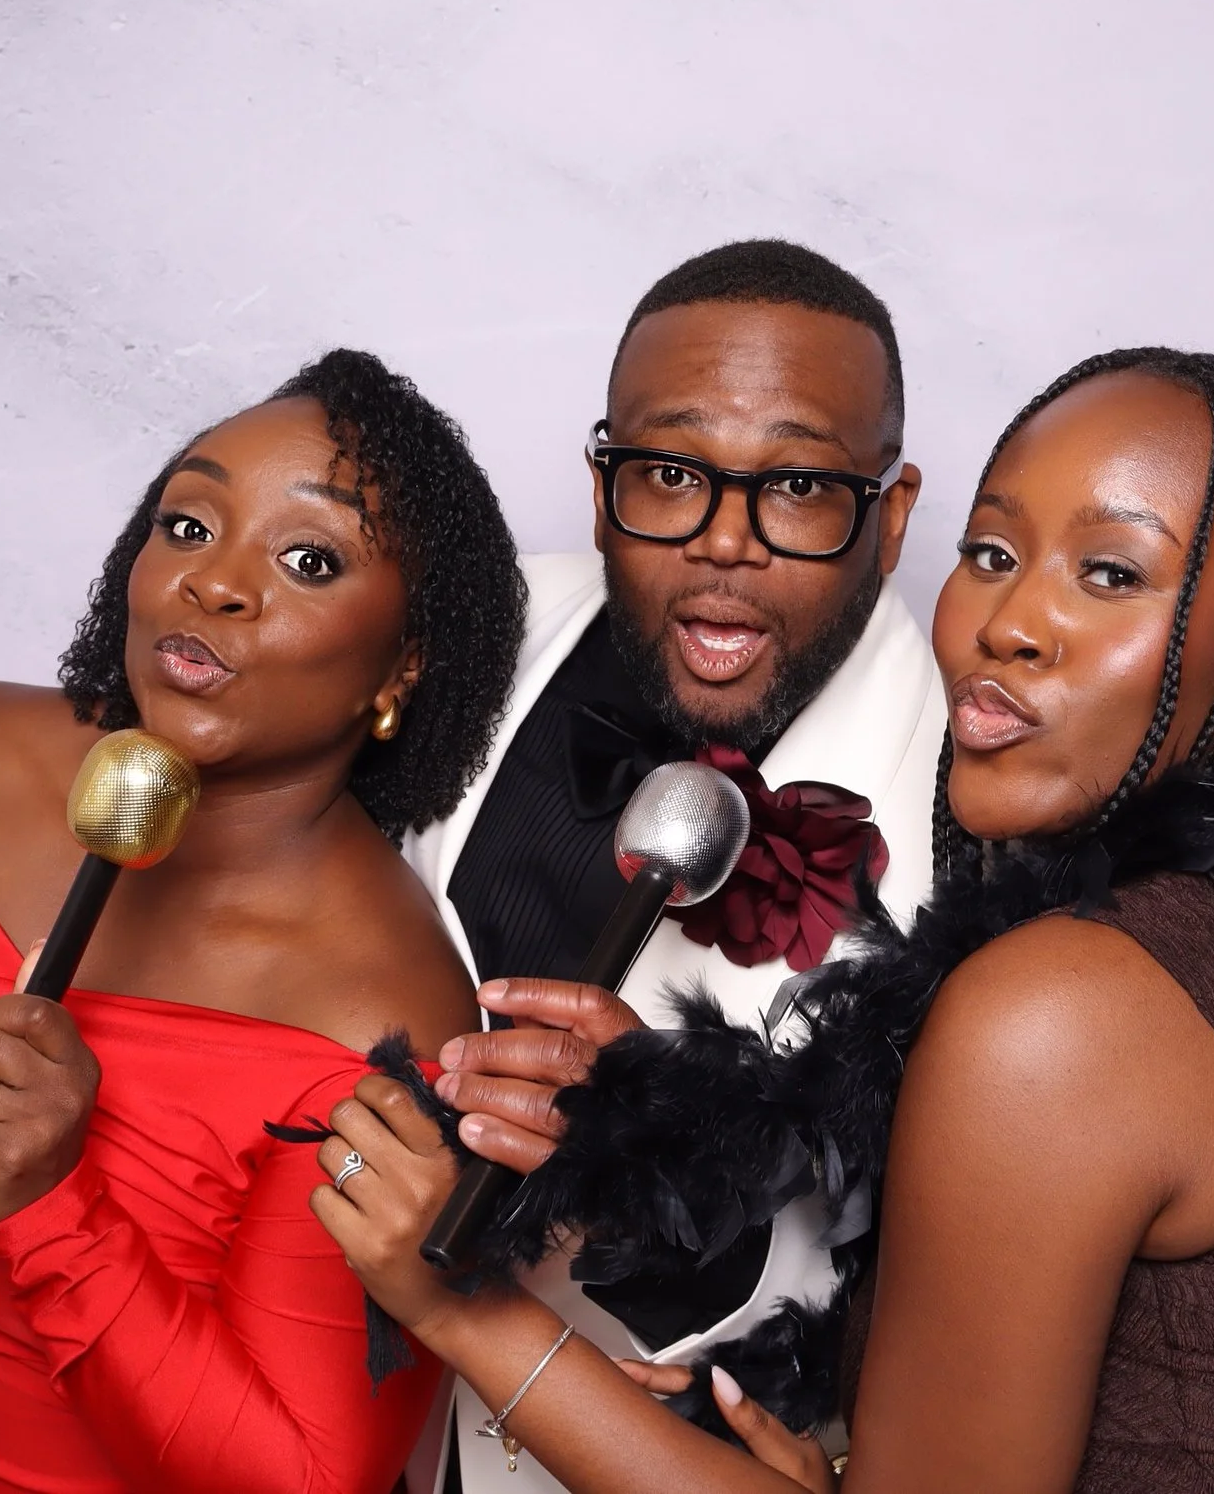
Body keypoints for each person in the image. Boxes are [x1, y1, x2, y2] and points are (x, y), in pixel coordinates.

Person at [312, 348, 1214, 1494]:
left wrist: (458, 1305)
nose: (1012, 622)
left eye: (1110, 572)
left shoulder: (1065, 1009)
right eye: (993, 554)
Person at [0, 351, 526, 1494]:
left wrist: (50, 1205)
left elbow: (305, 1477)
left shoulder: (380, 1013)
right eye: (188, 525)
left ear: (401, 667)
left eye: (307, 558)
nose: (215, 583)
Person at [392, 239, 949, 1492]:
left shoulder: (972, 830)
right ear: (600, 485)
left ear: (893, 512)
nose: (723, 543)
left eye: (798, 483)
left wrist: (639, 1168)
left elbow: (930, 1295)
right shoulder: (462, 640)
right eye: (668, 470)